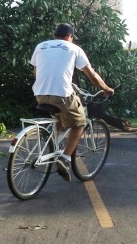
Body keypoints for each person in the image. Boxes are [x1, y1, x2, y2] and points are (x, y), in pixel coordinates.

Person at [30, 23, 114, 182]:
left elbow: (36, 72)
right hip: (61, 94)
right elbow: (92, 75)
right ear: (70, 37)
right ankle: (65, 158)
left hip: (40, 93)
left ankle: (52, 146)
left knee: (60, 117)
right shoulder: (74, 48)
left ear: (55, 35)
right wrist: (106, 88)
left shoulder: (41, 46)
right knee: (79, 124)